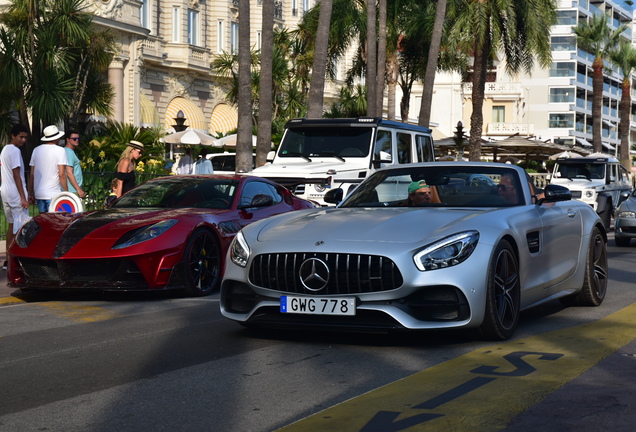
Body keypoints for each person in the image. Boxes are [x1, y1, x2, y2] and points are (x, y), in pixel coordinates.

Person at [1, 124, 30, 269]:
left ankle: (8, 260)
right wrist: (23, 197)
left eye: (25, 137)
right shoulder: (14, 151)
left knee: (12, 225)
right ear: (13, 135)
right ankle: (18, 261)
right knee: (22, 228)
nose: (23, 140)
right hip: (15, 194)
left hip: (5, 193)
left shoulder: (4, 150)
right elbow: (16, 174)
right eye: (21, 137)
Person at [29, 124, 68, 213]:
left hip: (39, 193)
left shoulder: (36, 150)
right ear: (56, 138)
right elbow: (61, 174)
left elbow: (32, 174)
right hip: (53, 194)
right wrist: (66, 192)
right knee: (54, 222)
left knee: (43, 222)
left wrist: (30, 193)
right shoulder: (60, 150)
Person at [64, 129, 86, 198]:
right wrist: (78, 189)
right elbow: (69, 173)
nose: (77, 140)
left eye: (78, 139)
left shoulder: (68, 151)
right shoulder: (69, 152)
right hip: (73, 190)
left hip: (72, 189)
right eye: (74, 139)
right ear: (68, 139)